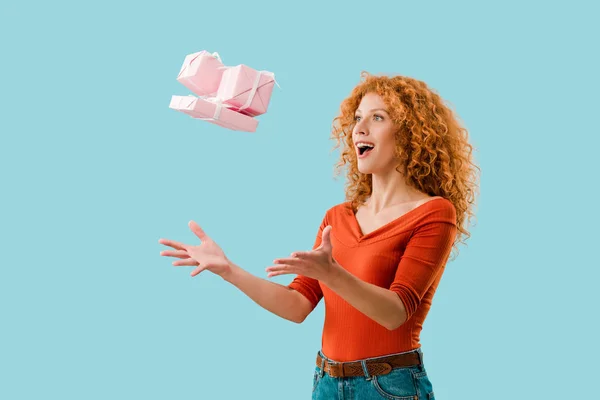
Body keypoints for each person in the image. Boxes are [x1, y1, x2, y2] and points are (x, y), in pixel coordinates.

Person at [159, 71, 479, 399]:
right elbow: (297, 305)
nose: (359, 129)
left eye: (377, 117)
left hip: (389, 386)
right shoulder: (336, 218)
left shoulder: (435, 213)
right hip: (326, 382)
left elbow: (396, 312)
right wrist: (228, 270)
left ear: (411, 133)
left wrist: (332, 273)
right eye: (357, 118)